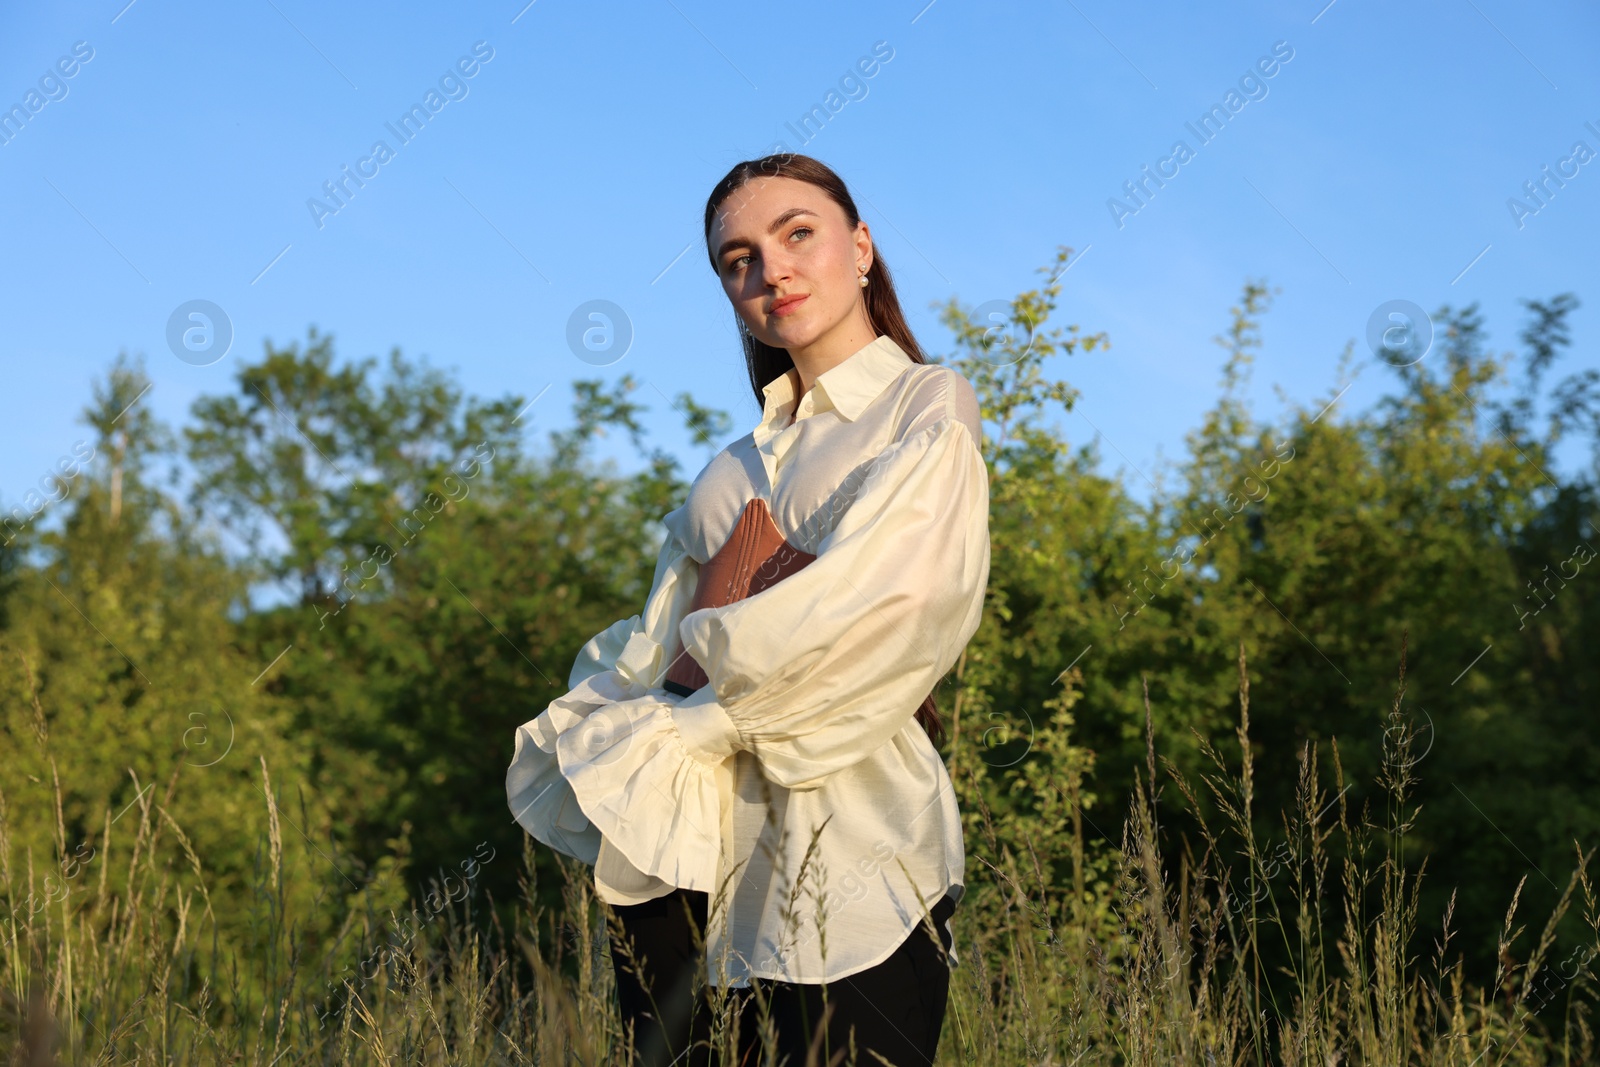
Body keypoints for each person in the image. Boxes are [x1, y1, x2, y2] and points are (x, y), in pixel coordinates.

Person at [507, 153, 990, 1065]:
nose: (770, 270)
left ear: (860, 247)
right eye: (738, 258)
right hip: (683, 836)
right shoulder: (730, 463)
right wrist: (624, 724)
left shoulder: (922, 406)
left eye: (796, 233)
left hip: (846, 835)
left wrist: (721, 714)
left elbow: (898, 604)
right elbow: (655, 644)